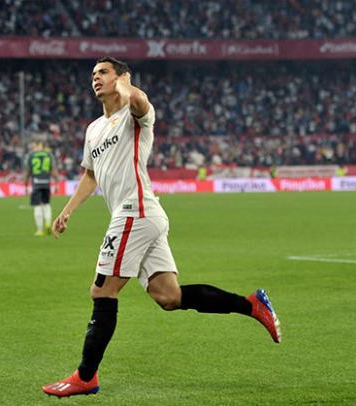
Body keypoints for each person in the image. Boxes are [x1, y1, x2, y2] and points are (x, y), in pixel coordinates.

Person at [42, 57, 282, 398]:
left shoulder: (136, 114)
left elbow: (140, 102)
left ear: (122, 77)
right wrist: (67, 211)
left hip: (135, 212)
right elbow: (91, 175)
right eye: (93, 74)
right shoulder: (94, 129)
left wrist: (124, 85)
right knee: (169, 297)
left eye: (104, 72)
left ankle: (86, 376)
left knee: (102, 292)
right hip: (140, 215)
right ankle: (252, 304)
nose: (95, 78)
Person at [25, 140, 57, 236]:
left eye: (34, 146)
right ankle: (48, 223)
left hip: (36, 184)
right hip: (47, 183)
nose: (33, 148)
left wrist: (25, 184)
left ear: (38, 145)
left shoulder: (31, 156)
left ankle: (40, 230)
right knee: (46, 204)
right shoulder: (49, 155)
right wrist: (57, 183)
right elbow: (54, 170)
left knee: (37, 206)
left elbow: (28, 171)